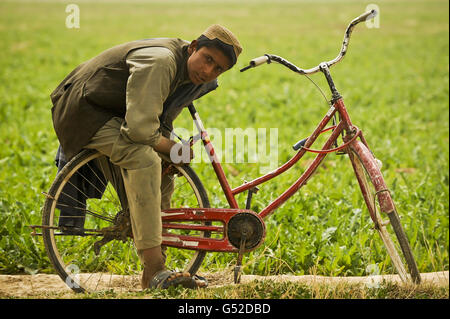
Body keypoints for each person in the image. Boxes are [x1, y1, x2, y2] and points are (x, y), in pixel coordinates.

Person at [50, 25, 242, 289]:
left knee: (164, 169)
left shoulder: (197, 78)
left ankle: (159, 263)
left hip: (118, 114)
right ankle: (154, 270)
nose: (209, 71)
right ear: (194, 46)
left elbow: (161, 118)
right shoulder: (161, 62)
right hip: (85, 110)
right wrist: (172, 148)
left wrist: (171, 153)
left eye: (218, 68)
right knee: (144, 159)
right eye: (208, 59)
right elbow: (140, 129)